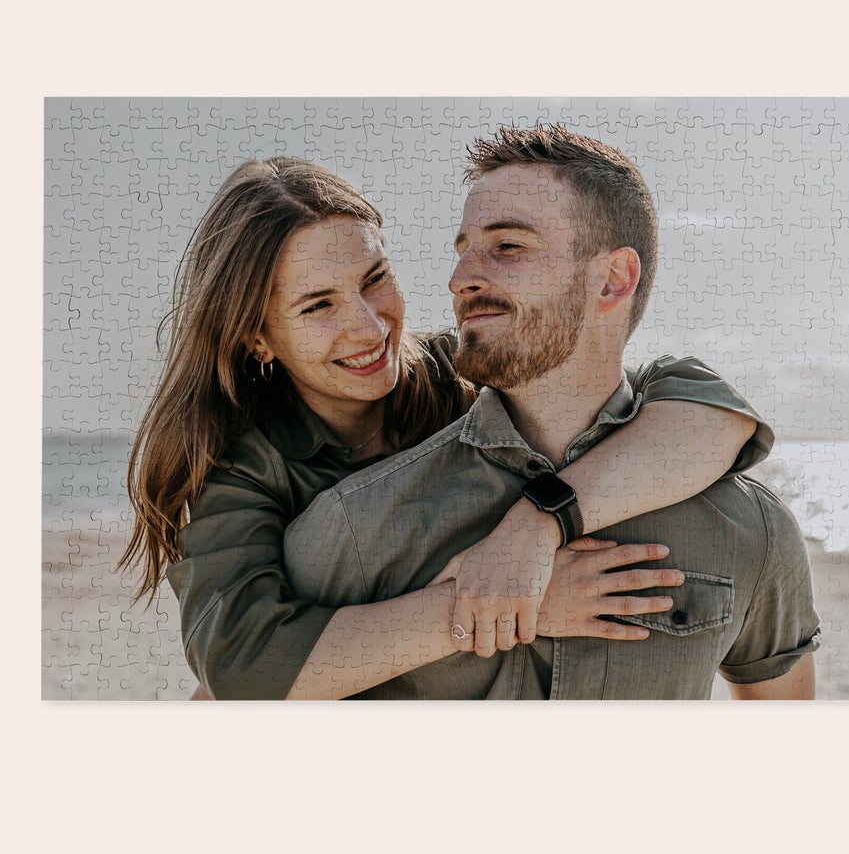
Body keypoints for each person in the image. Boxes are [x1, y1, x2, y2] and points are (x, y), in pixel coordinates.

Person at [123, 156, 770, 700]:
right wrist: (509, 604)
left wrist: (536, 527)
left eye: (375, 280)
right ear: (258, 337)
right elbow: (245, 669)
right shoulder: (240, 467)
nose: (372, 328)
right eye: (318, 305)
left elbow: (708, 411)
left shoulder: (459, 374)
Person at [282, 127, 820, 700]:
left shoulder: (752, 527)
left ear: (613, 280)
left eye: (507, 246)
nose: (460, 278)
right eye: (462, 248)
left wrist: (540, 522)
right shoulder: (354, 526)